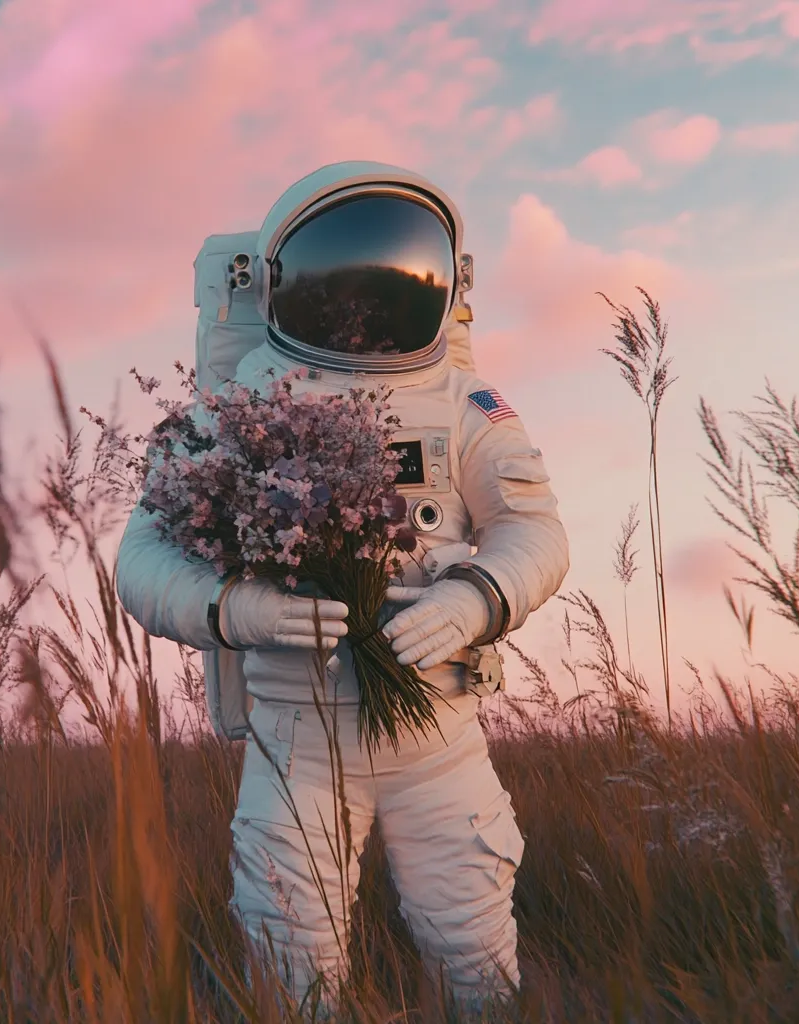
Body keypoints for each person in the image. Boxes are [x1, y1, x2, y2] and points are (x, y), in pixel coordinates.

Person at [115, 161, 570, 1014]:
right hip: (298, 743)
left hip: (439, 738)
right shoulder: (237, 407)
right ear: (279, 283)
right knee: (293, 970)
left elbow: (536, 531)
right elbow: (140, 559)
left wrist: (475, 597)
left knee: (474, 954)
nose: (364, 299)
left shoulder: (464, 403)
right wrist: (237, 611)